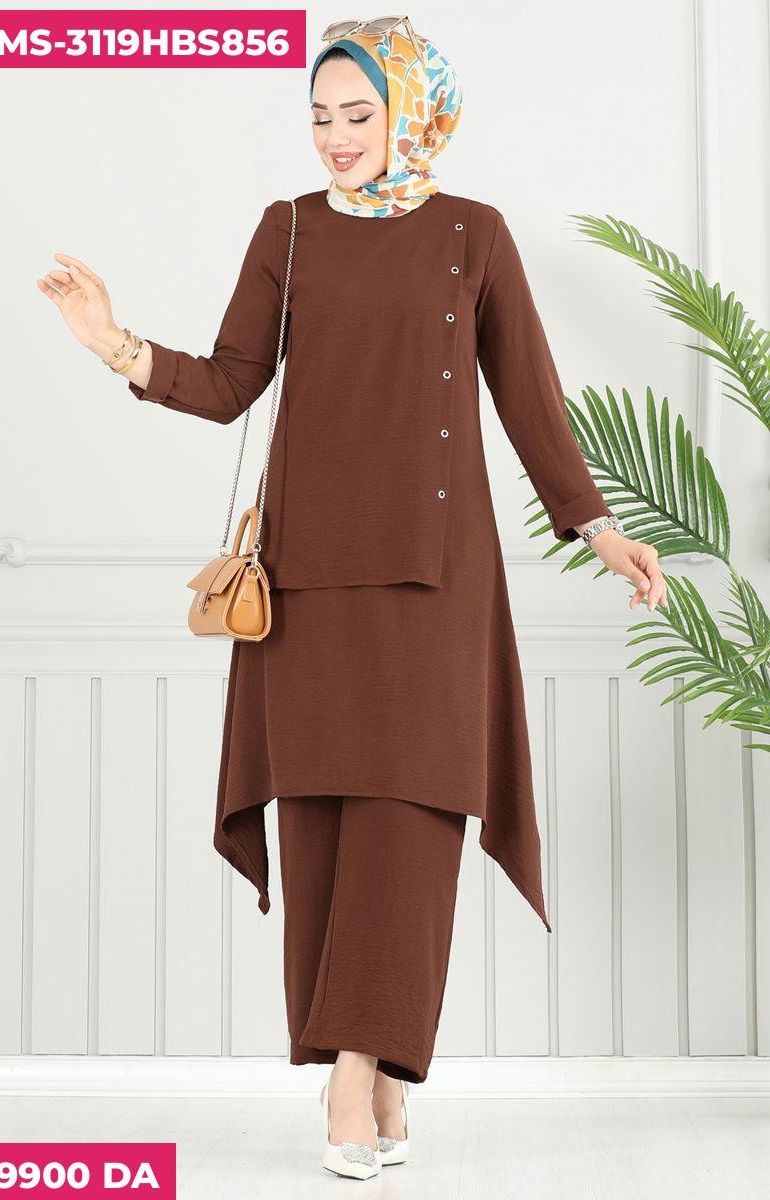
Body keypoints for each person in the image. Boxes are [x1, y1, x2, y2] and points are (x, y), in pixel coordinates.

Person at [37, 19, 667, 1179]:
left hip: (435, 580)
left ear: (411, 111)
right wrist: (112, 342)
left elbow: (527, 394)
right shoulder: (286, 229)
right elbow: (230, 384)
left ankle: (352, 1077)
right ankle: (365, 1080)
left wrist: (598, 527)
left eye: (357, 114)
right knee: (321, 821)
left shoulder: (473, 233)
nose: (334, 136)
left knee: (410, 823)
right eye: (319, 116)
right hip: (307, 579)